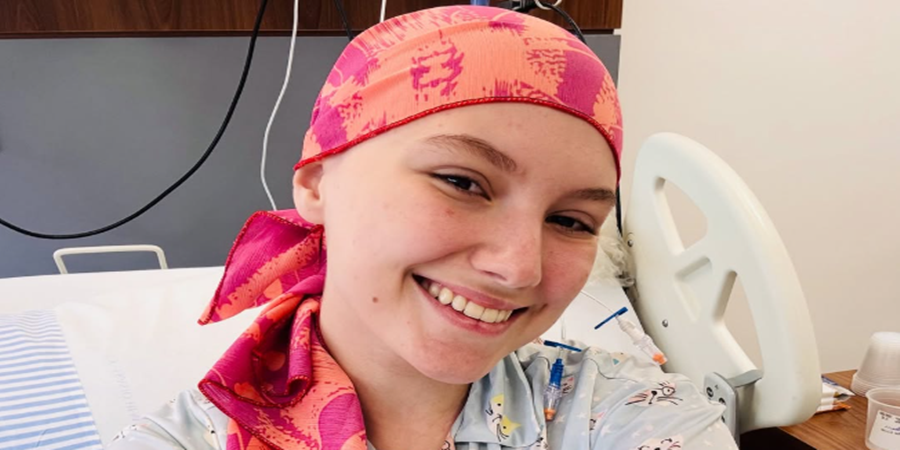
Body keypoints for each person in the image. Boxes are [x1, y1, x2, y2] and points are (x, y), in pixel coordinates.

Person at [110, 6, 738, 450]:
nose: (519, 267)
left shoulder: (624, 410)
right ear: (316, 183)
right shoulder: (186, 439)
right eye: (462, 182)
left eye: (570, 220)